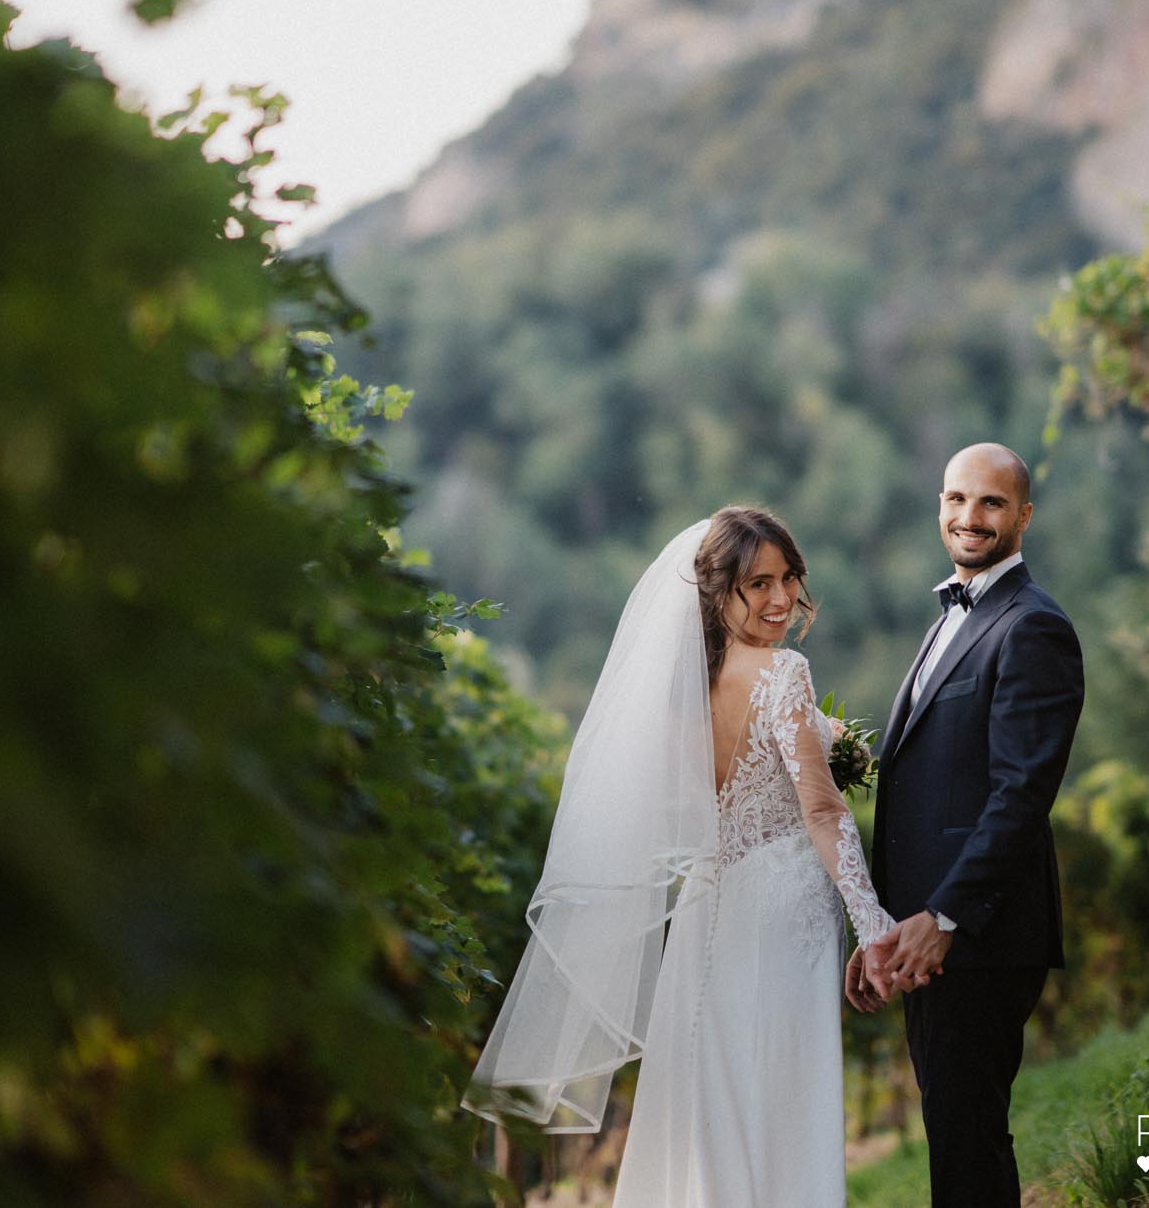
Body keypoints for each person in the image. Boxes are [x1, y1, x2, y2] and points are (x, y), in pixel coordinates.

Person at [465, 506, 896, 1205]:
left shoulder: (678, 689)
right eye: (759, 583)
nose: (781, 598)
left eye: (789, 577)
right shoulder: (782, 672)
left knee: (708, 1089)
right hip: (783, 915)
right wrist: (874, 925)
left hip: (705, 910)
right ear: (718, 590)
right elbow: (820, 808)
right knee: (782, 1089)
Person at [853, 443, 1085, 1207]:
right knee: (958, 1132)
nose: (969, 517)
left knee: (966, 1136)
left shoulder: (1032, 627)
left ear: (1024, 515)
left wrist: (944, 915)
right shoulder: (949, 619)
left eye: (990, 503)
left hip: (975, 932)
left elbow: (1020, 794)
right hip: (926, 930)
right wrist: (884, 924)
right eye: (957, 499)